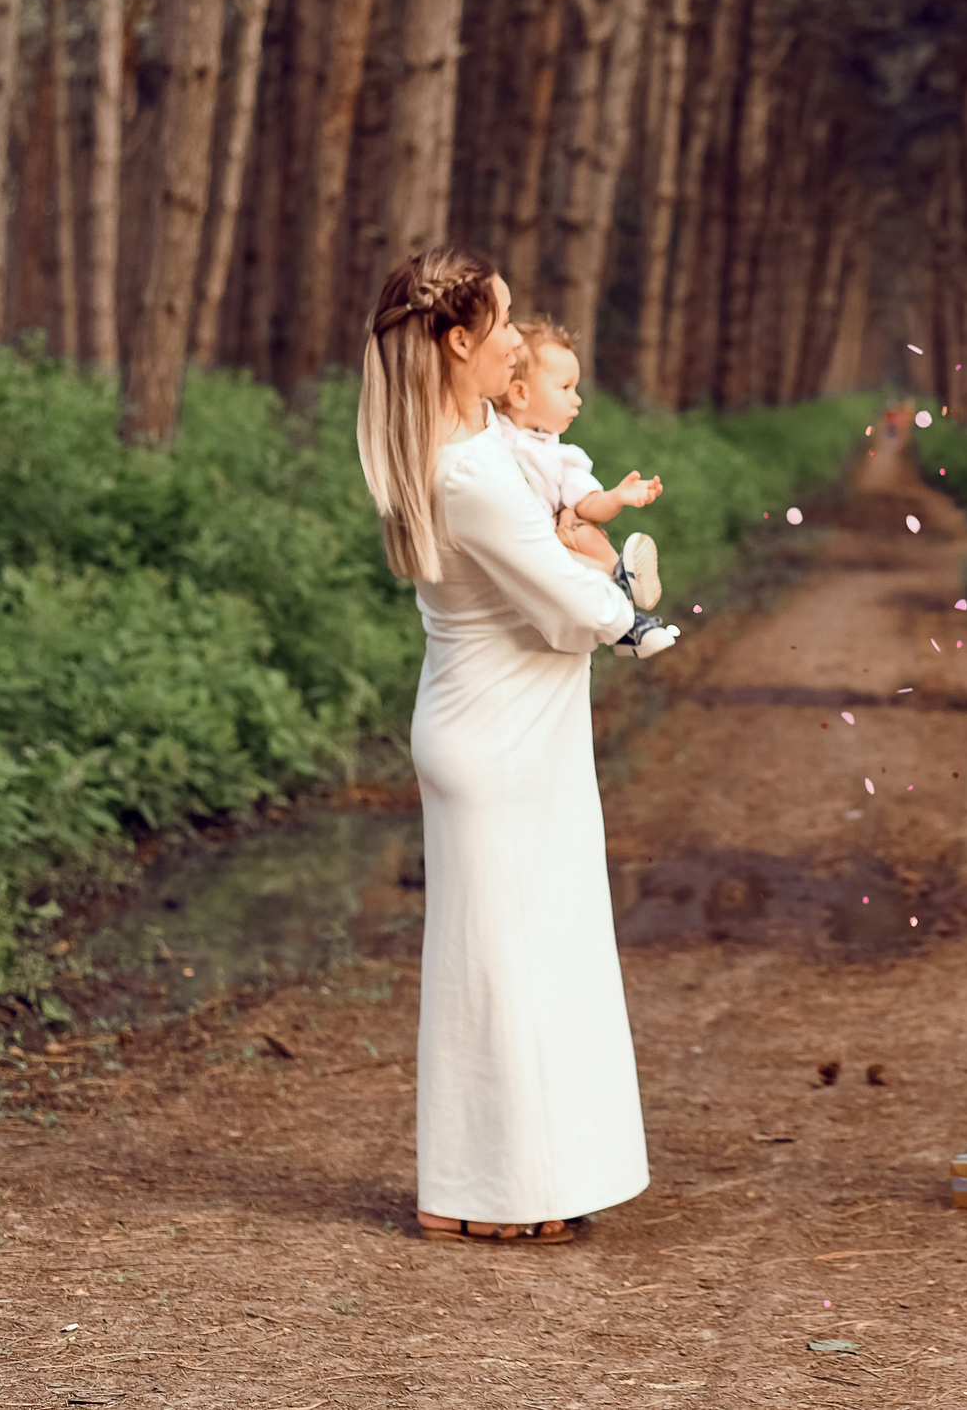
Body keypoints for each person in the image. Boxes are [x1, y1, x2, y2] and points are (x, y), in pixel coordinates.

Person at [354, 245, 650, 1245]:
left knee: (521, 960)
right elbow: (570, 609)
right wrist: (613, 582)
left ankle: (492, 1181)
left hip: (505, 727)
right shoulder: (470, 472)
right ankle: (484, 1192)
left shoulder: (474, 442)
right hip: (500, 738)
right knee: (505, 969)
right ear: (459, 341)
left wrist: (582, 547)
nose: (522, 337)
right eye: (506, 321)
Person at [492, 316, 680, 658]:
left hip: (552, 541)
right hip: (524, 544)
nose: (576, 399)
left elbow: (588, 502)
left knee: (581, 526)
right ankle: (625, 599)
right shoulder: (491, 433)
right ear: (520, 393)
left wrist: (617, 497)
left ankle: (623, 602)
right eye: (565, 388)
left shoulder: (561, 456)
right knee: (569, 546)